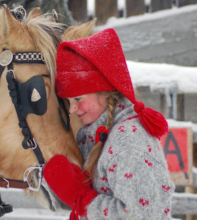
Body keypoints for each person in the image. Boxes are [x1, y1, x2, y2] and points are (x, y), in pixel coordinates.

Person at [43, 28, 175, 220]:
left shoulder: (128, 142)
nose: (72, 109)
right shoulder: (99, 134)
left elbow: (142, 215)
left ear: (104, 91)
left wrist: (84, 199)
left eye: (78, 99)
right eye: (68, 102)